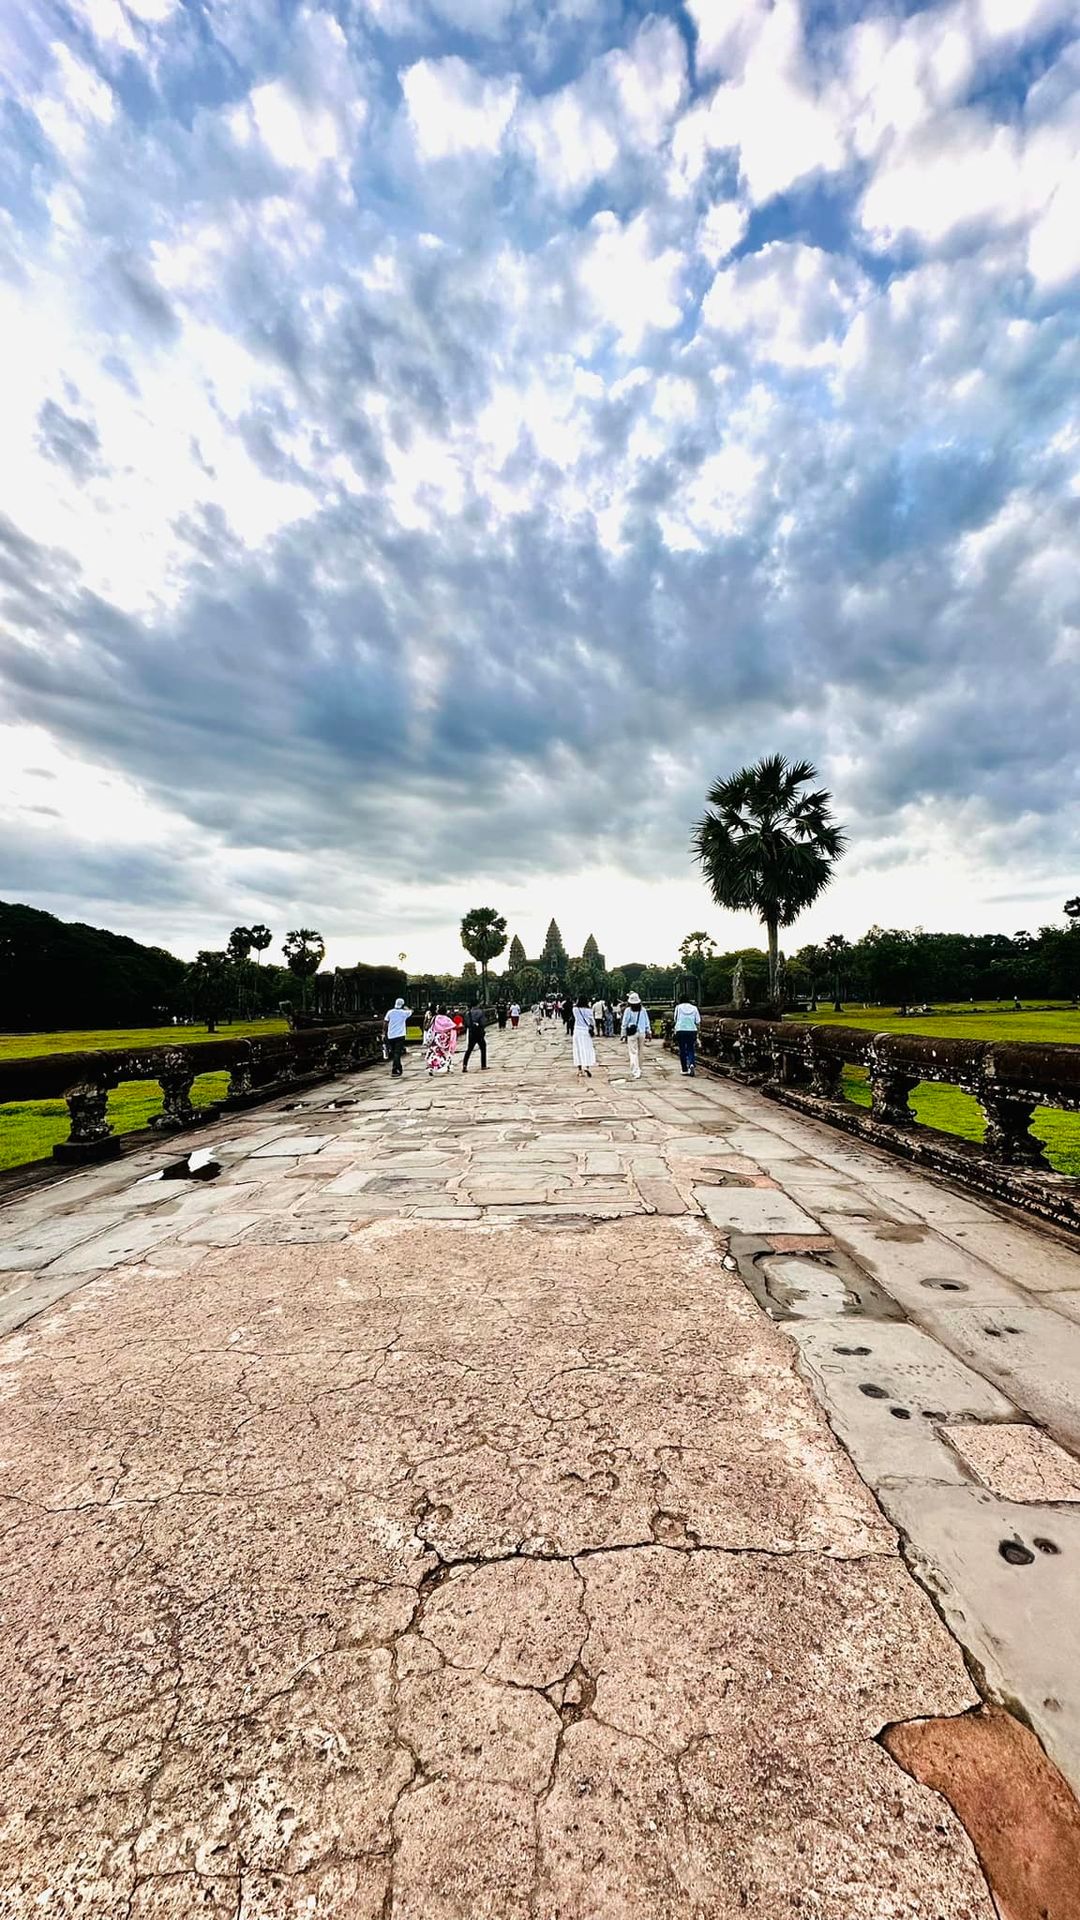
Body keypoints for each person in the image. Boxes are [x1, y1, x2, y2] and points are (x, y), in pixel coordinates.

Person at [620, 992, 651, 1079]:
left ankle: (635, 1071)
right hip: (642, 1032)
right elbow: (647, 1021)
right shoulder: (643, 1010)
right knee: (641, 1052)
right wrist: (649, 1031)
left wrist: (623, 1034)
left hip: (632, 1033)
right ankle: (639, 1069)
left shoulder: (628, 1010)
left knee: (633, 1052)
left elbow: (624, 1023)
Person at [672, 994, 701, 1075]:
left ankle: (684, 1069)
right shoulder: (694, 1008)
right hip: (692, 1030)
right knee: (690, 1048)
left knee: (682, 1049)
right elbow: (698, 1021)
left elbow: (675, 1019)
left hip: (680, 1030)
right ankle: (691, 1063)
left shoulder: (678, 1007)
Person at [383, 996, 412, 1077]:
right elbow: (411, 1011)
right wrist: (406, 1008)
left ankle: (396, 1068)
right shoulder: (404, 1013)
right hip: (400, 1035)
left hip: (391, 1035)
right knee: (397, 1053)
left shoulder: (390, 1012)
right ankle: (396, 1069)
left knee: (393, 1052)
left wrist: (383, 1033)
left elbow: (385, 1023)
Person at [427, 1007, 457, 1076]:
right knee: (446, 1052)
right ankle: (447, 1065)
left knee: (435, 1052)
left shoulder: (435, 1018)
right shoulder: (447, 1019)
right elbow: (453, 1026)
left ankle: (431, 1067)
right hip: (445, 1038)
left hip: (436, 1037)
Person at [572, 992, 597, 1078]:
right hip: (586, 1031)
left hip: (577, 1030)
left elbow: (574, 1011)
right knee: (586, 1048)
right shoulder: (589, 1010)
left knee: (577, 1049)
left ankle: (579, 1070)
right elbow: (592, 1021)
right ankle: (586, 1066)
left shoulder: (575, 1009)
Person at [462, 1000, 487, 1072]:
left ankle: (465, 1065)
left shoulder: (467, 1013)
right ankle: (483, 1065)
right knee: (483, 1048)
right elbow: (483, 1023)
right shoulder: (480, 1012)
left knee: (469, 1049)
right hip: (479, 1032)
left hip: (471, 1033)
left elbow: (466, 1024)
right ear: (477, 1004)